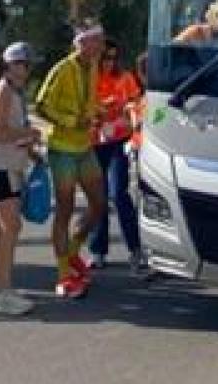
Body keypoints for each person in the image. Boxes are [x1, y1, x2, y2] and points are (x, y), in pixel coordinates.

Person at [35, 20, 108, 298]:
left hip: (84, 146)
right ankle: (63, 273)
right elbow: (42, 106)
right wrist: (71, 121)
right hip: (63, 148)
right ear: (82, 43)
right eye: (97, 41)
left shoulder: (93, 67)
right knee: (64, 209)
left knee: (99, 203)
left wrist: (99, 111)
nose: (101, 46)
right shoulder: (63, 69)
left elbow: (87, 102)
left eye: (101, 41)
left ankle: (74, 252)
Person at [0, 42, 39, 315]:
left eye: (27, 64)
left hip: (8, 166)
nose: (24, 69)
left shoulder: (13, 91)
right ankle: (4, 290)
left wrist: (32, 152)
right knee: (10, 227)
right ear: (8, 65)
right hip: (0, 168)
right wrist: (29, 135)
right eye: (20, 63)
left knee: (0, 228)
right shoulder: (3, 91)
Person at [88, 40, 144, 272]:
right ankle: (98, 250)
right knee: (97, 196)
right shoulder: (89, 80)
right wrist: (101, 108)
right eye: (105, 58)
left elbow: (135, 101)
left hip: (118, 141)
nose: (110, 62)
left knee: (118, 193)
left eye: (113, 57)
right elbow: (84, 107)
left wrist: (128, 108)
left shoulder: (125, 78)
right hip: (95, 142)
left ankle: (136, 249)